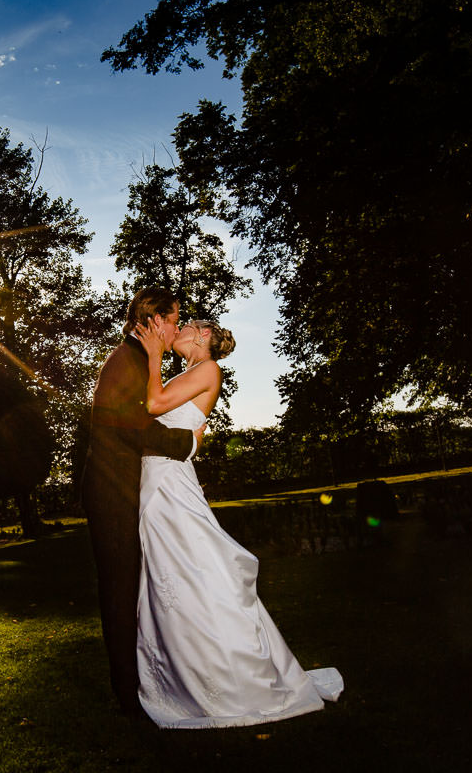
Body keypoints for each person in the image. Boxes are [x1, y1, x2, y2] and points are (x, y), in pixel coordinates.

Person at [134, 317, 344, 728]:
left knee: (194, 569)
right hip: (159, 477)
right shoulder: (190, 373)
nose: (176, 329)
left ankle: (231, 672)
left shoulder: (208, 369)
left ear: (203, 334)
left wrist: (154, 356)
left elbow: (155, 406)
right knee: (172, 573)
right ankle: (184, 666)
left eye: (185, 324)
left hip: (169, 484)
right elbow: (185, 426)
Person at [81, 287, 206, 715]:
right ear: (155, 320)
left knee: (135, 587)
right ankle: (127, 692)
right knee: (119, 589)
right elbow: (131, 429)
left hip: (129, 487)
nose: (176, 327)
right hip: (111, 492)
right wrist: (188, 442)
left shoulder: (138, 359)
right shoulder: (125, 361)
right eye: (173, 319)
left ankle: (146, 675)